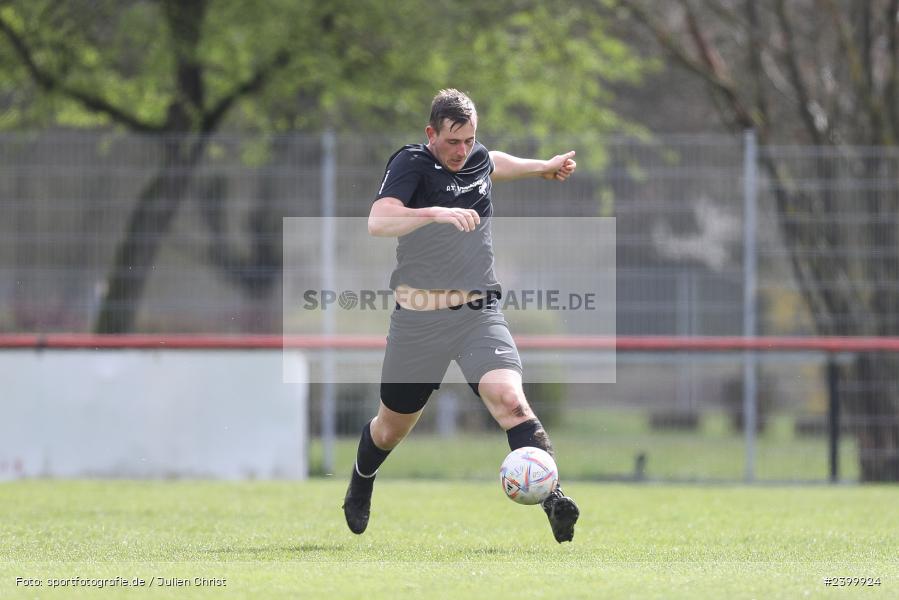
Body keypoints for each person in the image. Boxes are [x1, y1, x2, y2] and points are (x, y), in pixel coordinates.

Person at [343, 89, 579, 543]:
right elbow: (379, 221)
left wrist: (541, 166)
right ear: (431, 133)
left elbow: (493, 163)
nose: (462, 151)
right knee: (390, 429)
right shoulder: (412, 164)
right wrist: (434, 213)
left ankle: (552, 498)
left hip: (477, 314)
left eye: (469, 140)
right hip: (418, 322)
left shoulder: (475, 157)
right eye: (452, 141)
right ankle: (362, 479)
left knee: (510, 401)